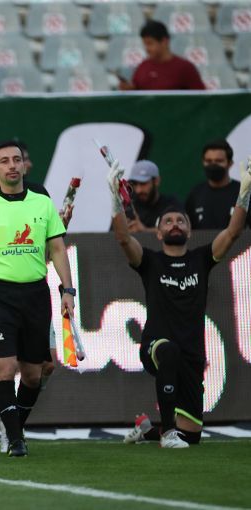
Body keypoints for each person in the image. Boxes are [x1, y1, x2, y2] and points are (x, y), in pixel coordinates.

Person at [109, 156, 250, 447]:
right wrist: (115, 199)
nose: (175, 224)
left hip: (192, 353)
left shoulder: (202, 259)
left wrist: (245, 193)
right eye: (168, 221)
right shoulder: (150, 261)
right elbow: (123, 239)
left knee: (193, 436)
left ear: (189, 230)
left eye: (181, 221)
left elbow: (233, 232)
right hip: (156, 346)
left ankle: (148, 429)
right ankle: (168, 433)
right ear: (158, 233)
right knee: (168, 351)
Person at [0, 141, 75, 457]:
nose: (12, 165)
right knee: (5, 367)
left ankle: (14, 427)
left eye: (16, 159)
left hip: (35, 294)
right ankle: (16, 439)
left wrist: (68, 290)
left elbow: (57, 249)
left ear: (24, 164)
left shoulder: (42, 203)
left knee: (33, 375)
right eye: (4, 161)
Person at [119, 21, 204, 91]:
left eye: (150, 43)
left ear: (164, 41)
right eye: (145, 44)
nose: (147, 48)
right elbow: (137, 98)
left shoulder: (185, 68)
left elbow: (201, 99)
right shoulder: (142, 67)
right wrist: (129, 90)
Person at [186, 140, 251, 229]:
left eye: (219, 161)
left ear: (230, 163)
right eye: (208, 161)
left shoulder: (244, 193)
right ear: (203, 162)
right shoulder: (195, 194)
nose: (213, 165)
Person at [126, 160, 183, 232]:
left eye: (143, 183)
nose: (138, 190)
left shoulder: (172, 204)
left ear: (156, 181)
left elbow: (181, 229)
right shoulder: (129, 206)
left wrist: (144, 231)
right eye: (135, 184)